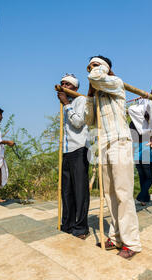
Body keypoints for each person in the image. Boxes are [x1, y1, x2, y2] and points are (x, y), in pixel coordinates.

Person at [86, 55, 141, 259]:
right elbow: (89, 120)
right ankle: (116, 236)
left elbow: (97, 77)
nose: (91, 69)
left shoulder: (115, 83)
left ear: (106, 68)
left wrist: (96, 71)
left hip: (120, 142)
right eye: (89, 66)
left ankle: (132, 243)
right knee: (109, 193)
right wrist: (90, 97)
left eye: (95, 65)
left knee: (123, 193)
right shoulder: (97, 92)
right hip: (104, 143)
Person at [56, 73, 90, 240]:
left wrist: (66, 103)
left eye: (67, 84)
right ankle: (67, 223)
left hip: (79, 149)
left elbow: (78, 123)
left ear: (75, 87)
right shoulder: (66, 105)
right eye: (62, 83)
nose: (63, 86)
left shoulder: (81, 100)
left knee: (80, 190)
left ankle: (81, 227)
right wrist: (65, 104)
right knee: (67, 190)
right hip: (66, 151)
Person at [133, 130, 152, 206]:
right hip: (146, 159)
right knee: (150, 178)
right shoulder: (148, 136)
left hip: (137, 159)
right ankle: (140, 197)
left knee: (142, 179)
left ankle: (145, 199)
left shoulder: (135, 138)